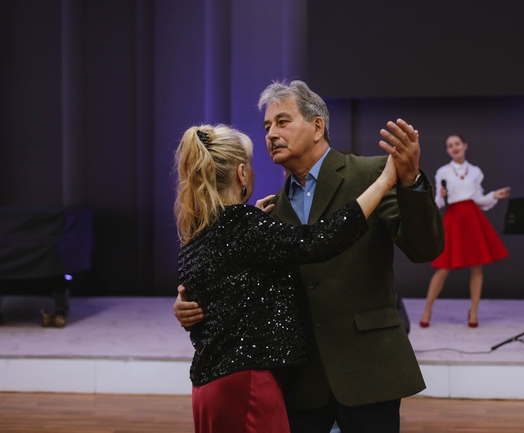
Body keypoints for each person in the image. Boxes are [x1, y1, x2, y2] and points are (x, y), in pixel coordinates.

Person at [174, 80, 444, 433]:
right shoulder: (268, 211)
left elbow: (424, 248)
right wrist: (191, 303)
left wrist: (410, 182)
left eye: (282, 122)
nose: (271, 134)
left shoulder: (371, 173)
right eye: (267, 127)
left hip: (368, 367)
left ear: (318, 127)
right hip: (299, 380)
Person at [419, 134, 510, 329]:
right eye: (450, 145)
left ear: (465, 145)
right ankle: (427, 310)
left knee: (476, 267)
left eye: (457, 144)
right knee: (443, 267)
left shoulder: (475, 171)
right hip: (454, 219)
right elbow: (439, 203)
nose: (454, 147)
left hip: (472, 219)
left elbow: (479, 199)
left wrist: (494, 195)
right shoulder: (443, 172)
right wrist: (441, 195)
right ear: (447, 150)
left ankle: (473, 312)